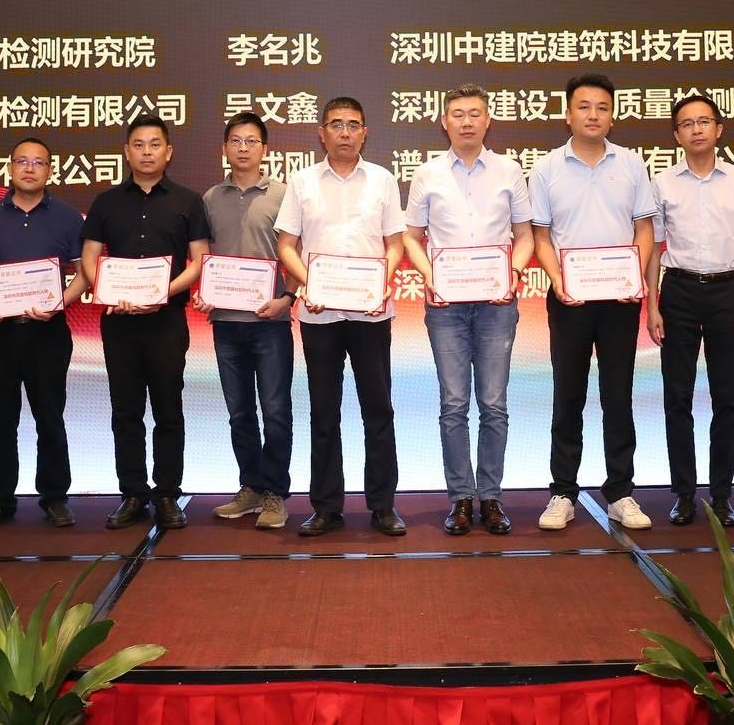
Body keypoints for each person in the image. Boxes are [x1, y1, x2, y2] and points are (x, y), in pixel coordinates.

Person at [403, 84, 535, 536]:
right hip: (447, 307)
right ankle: (460, 498)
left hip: (497, 304)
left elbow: (525, 236)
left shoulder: (509, 170)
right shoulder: (427, 173)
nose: (466, 122)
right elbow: (411, 237)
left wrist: (513, 273)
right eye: (457, 114)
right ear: (445, 121)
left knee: (494, 404)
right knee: (453, 404)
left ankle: (492, 497)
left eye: (475, 113)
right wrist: (430, 276)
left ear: (487, 120)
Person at [527, 73, 655, 532]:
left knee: (618, 395)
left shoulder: (632, 164)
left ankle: (620, 491)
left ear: (612, 115)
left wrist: (635, 275)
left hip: (620, 297)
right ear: (568, 114)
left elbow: (644, 229)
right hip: (570, 298)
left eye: (602, 107)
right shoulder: (546, 168)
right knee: (569, 395)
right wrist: (558, 279)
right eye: (584, 107)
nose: (593, 115)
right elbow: (541, 236)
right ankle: (563, 491)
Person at [275, 96, 407, 537]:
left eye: (353, 124)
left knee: (378, 410)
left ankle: (383, 505)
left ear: (365, 132)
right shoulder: (302, 182)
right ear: (322, 132)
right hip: (320, 315)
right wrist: (308, 284)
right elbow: (286, 246)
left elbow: (394, 244)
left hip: (371, 314)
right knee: (323, 411)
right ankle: (327, 506)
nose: (345, 132)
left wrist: (382, 281)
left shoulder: (383, 180)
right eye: (336, 124)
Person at [80, 115, 210, 531]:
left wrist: (162, 293)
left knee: (169, 409)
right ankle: (133, 492)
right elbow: (89, 258)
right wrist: (105, 289)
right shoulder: (106, 202)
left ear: (168, 152)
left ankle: (168, 493)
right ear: (127, 151)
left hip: (166, 320)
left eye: (155, 144)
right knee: (126, 410)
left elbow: (200, 261)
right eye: (139, 144)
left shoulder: (188, 201)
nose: (147, 152)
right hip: (118, 320)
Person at [646, 94, 734, 528]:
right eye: (687, 123)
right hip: (678, 291)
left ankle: (721, 496)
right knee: (677, 397)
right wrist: (652, 304)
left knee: (726, 397)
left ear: (719, 129)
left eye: (704, 121)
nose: (696, 129)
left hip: (726, 293)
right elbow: (654, 248)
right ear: (676, 134)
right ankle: (684, 494)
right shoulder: (663, 183)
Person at [0, 136, 88, 531]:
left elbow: (84, 273)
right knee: (0, 419)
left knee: (50, 417)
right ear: (10, 167)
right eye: (22, 161)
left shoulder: (68, 217)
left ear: (50, 170)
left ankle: (55, 497)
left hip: (47, 332)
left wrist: (60, 302)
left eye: (38, 162)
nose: (30, 168)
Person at [194, 112, 295, 531]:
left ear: (264, 149)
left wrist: (288, 298)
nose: (243, 148)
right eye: (235, 140)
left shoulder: (284, 195)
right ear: (224, 148)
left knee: (275, 411)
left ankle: (275, 493)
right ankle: (250, 487)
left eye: (252, 141)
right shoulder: (210, 198)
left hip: (270, 322)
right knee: (239, 413)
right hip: (225, 322)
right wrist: (203, 290)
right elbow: (202, 256)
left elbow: (296, 253)